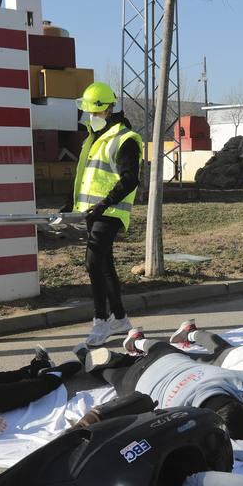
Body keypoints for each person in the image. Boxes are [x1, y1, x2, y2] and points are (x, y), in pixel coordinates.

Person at [79, 330, 243, 442]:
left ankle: (136, 345)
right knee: (110, 376)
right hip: (137, 382)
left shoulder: (232, 381)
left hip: (167, 358)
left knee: (161, 346)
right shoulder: (184, 416)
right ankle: (86, 357)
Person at [71, 82, 144, 347]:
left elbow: (129, 179)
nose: (90, 117)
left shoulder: (124, 140)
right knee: (104, 265)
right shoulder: (94, 139)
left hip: (110, 212)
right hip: (93, 212)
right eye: (88, 112)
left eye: (95, 112)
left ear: (108, 109)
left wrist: (104, 203)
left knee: (93, 263)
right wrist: (67, 209)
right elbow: (82, 179)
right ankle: (121, 318)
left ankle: (101, 321)